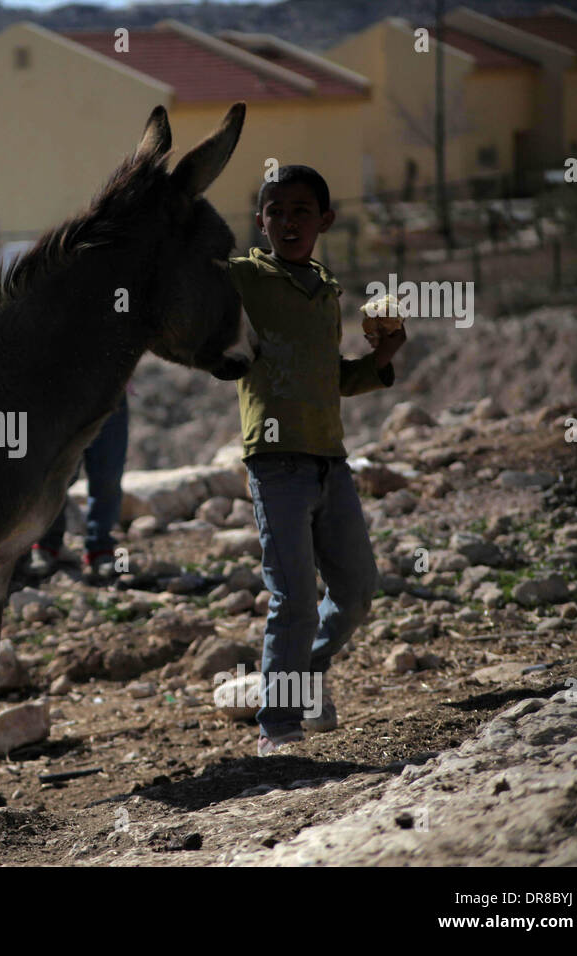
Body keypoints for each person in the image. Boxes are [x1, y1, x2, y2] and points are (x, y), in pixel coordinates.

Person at [228, 164, 405, 756]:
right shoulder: (246, 279)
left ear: (325, 220)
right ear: (260, 221)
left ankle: (306, 673)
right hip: (275, 463)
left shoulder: (325, 288)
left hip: (331, 460)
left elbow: (333, 378)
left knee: (356, 588)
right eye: (275, 211)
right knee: (295, 597)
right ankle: (277, 728)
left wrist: (381, 359)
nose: (288, 222)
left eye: (302, 210)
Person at [24, 391, 130, 585]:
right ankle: (46, 544)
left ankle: (101, 548)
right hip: (66, 391)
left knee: (108, 477)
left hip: (111, 393)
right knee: (57, 474)